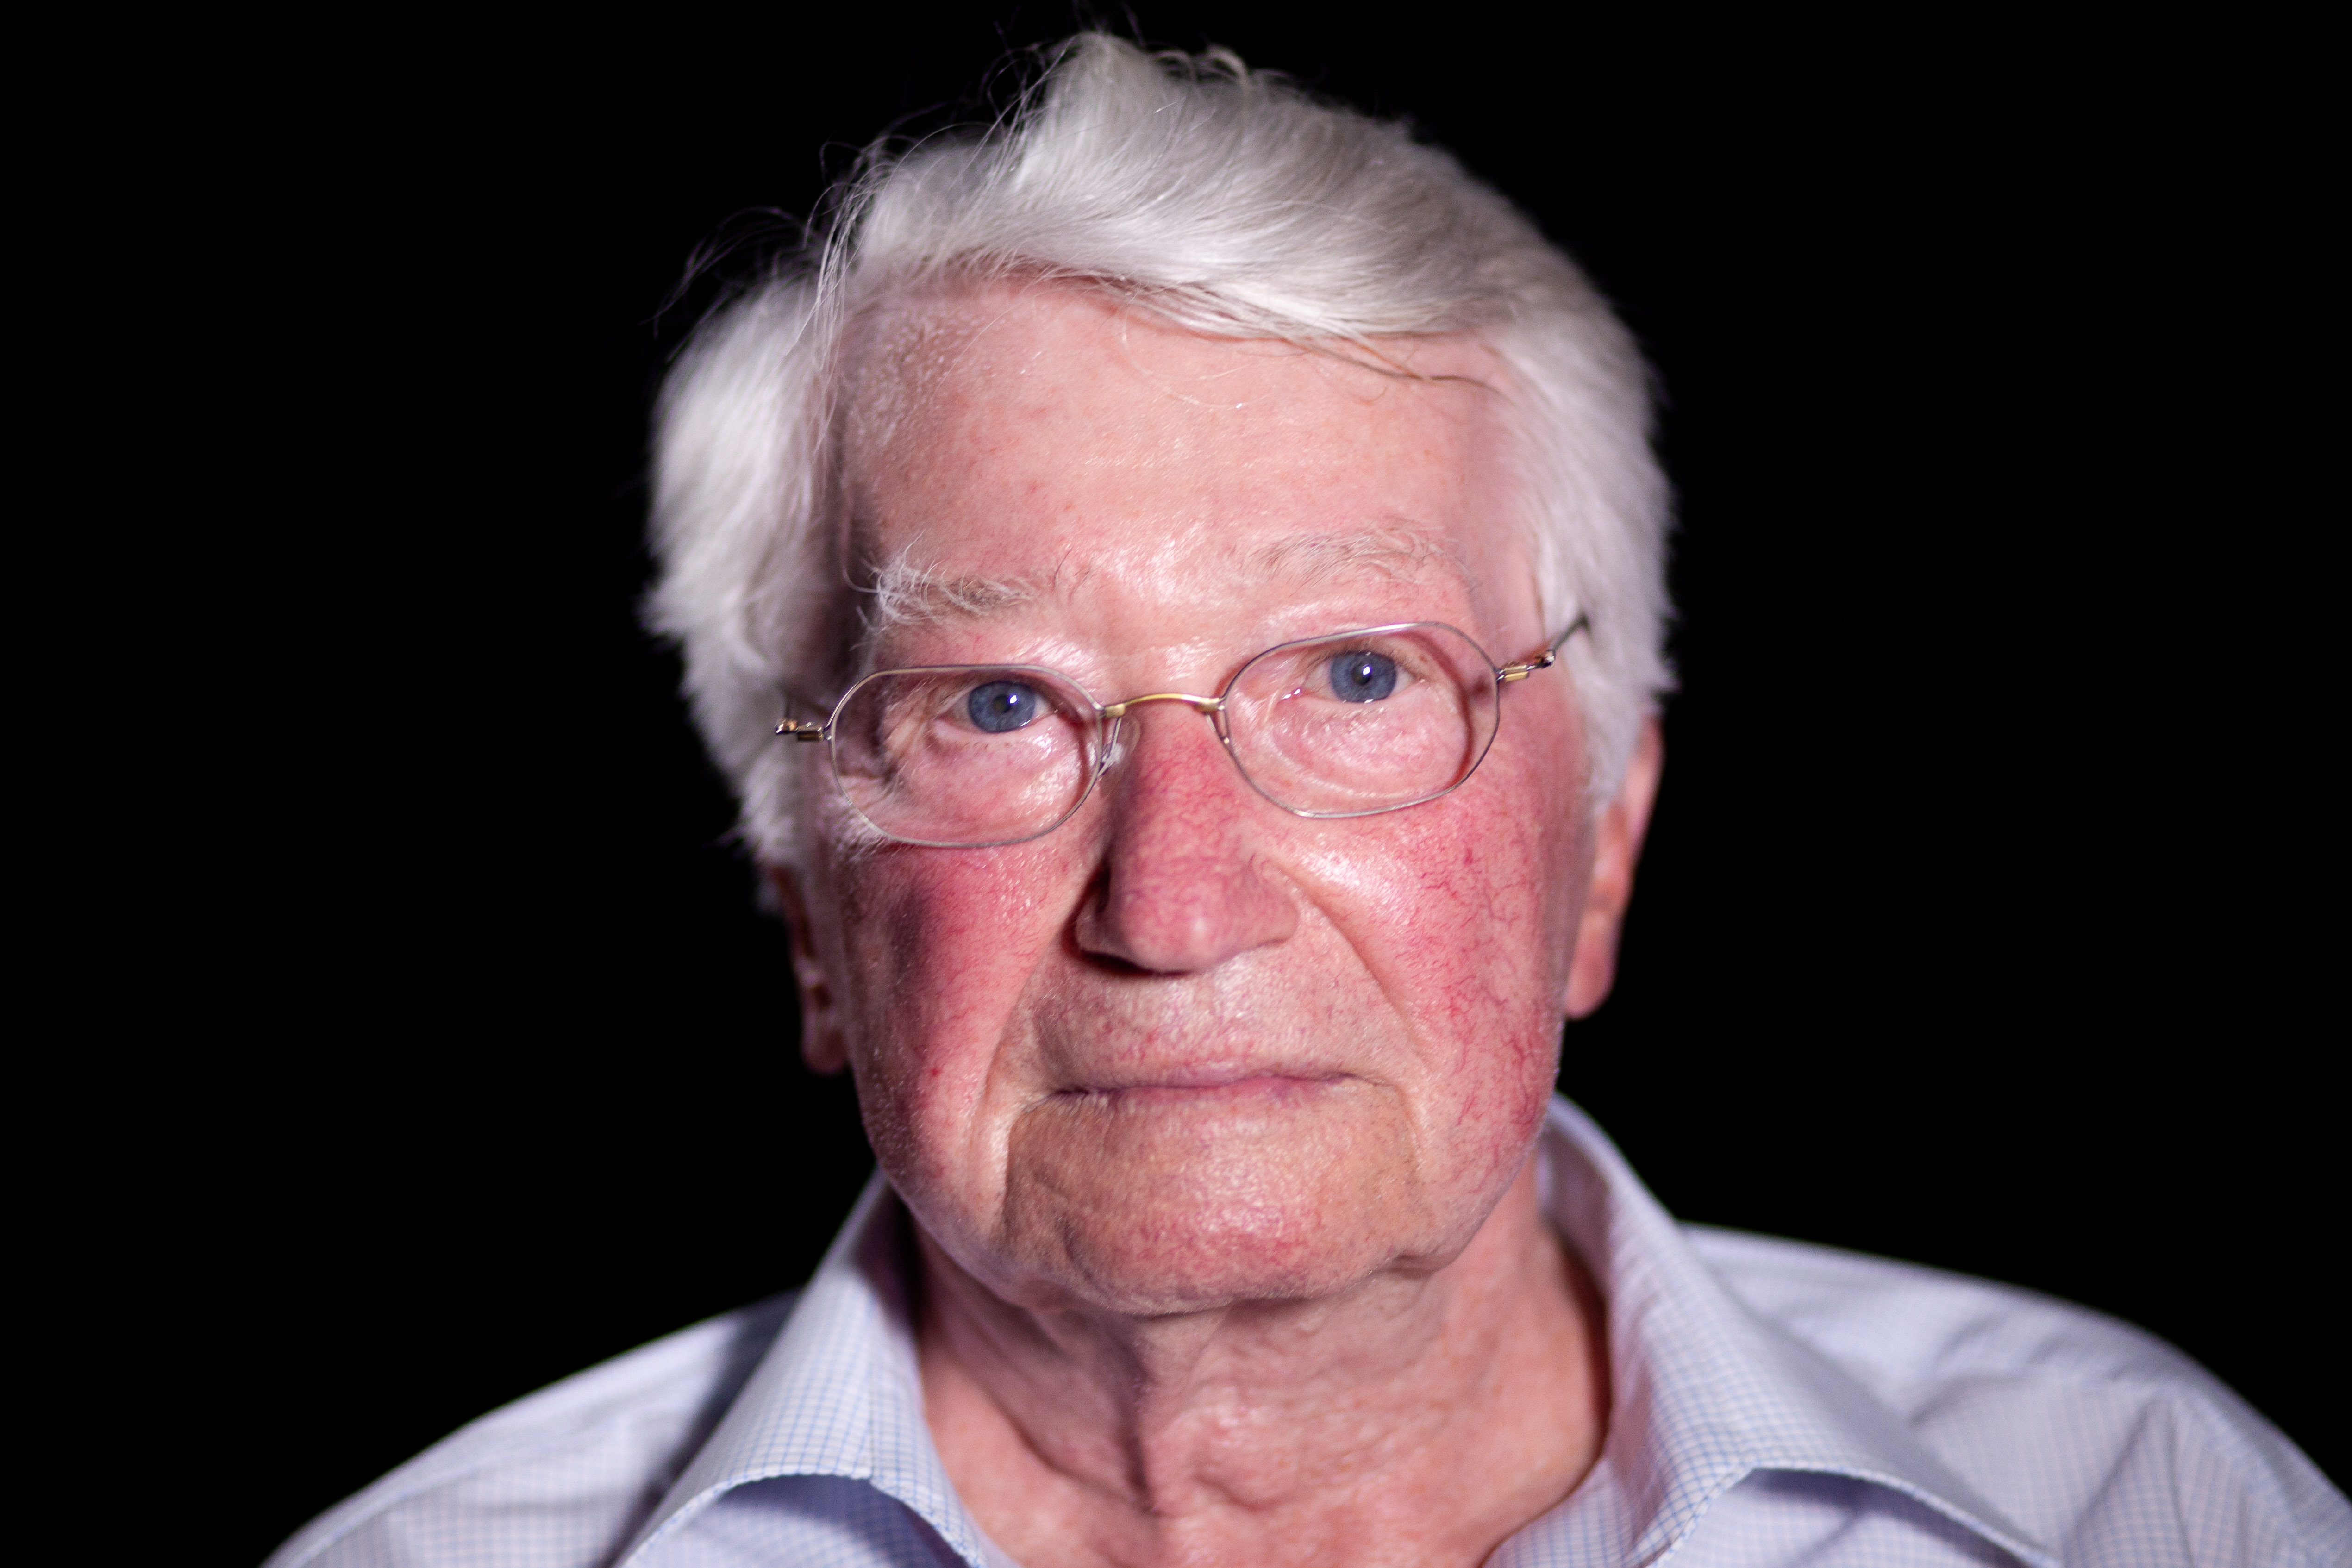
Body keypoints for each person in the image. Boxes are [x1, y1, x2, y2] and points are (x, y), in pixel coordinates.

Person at [266, 35, 2346, 1568]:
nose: (1175, 904)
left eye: (1358, 676)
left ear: (1603, 846)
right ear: (806, 906)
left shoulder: (2151, 1513)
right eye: (998, 702)